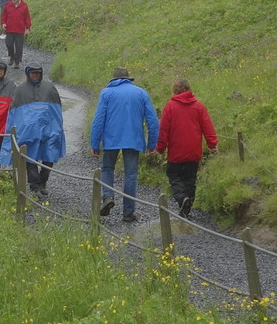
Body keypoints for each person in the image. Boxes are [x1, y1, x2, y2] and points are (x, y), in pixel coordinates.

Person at [91, 68, 159, 221]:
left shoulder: (106, 94)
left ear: (113, 80)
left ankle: (108, 197)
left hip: (111, 139)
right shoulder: (141, 93)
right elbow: (152, 120)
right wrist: (152, 143)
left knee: (107, 168)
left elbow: (98, 120)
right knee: (131, 175)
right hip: (133, 139)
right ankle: (128, 212)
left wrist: (95, 144)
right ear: (128, 79)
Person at [157, 79, 218, 217]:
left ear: (175, 90)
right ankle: (187, 205)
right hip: (194, 151)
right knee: (190, 179)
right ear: (189, 89)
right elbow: (208, 127)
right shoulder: (199, 106)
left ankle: (182, 199)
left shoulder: (170, 107)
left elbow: (164, 130)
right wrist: (212, 144)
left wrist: (160, 148)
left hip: (176, 152)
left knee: (174, 176)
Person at [8, 65, 65, 194]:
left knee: (50, 155)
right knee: (30, 157)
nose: (35, 76)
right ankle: (35, 185)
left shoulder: (50, 88)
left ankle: (43, 181)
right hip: (29, 131)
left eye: (37, 73)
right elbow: (15, 113)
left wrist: (58, 128)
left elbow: (56, 110)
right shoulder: (20, 90)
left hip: (49, 129)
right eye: (33, 73)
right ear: (28, 74)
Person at [0, 0, 30, 68]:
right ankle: (12, 56)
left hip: (19, 30)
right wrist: (3, 23)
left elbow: (27, 18)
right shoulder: (8, 5)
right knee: (9, 44)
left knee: (19, 47)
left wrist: (28, 28)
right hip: (9, 29)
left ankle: (17, 62)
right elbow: (4, 16)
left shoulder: (24, 6)